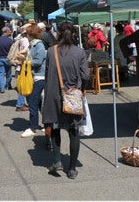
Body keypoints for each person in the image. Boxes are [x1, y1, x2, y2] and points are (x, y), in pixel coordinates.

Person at [42, 22, 89, 179]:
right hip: (73, 96)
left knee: (55, 128)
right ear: (74, 34)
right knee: (73, 131)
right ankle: (72, 169)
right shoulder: (80, 52)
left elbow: (47, 73)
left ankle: (57, 160)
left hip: (53, 95)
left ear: (58, 34)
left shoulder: (50, 51)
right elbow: (85, 76)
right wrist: (82, 89)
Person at [20, 24, 47, 139]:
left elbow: (38, 61)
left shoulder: (38, 45)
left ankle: (33, 127)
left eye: (27, 33)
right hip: (34, 76)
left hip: (39, 77)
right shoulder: (33, 45)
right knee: (39, 103)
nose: (26, 35)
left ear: (31, 34)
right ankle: (47, 124)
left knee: (33, 102)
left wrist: (26, 62)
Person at [13, 24, 31, 111]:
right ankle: (20, 104)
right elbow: (26, 52)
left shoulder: (20, 39)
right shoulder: (26, 41)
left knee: (22, 85)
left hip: (19, 65)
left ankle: (22, 103)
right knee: (23, 86)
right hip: (23, 66)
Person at [0, 27, 13, 91]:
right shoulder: (10, 41)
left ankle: (2, 88)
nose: (10, 32)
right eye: (9, 31)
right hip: (8, 58)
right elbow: (12, 51)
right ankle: (8, 84)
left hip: (0, 58)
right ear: (6, 32)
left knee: (1, 74)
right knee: (9, 73)